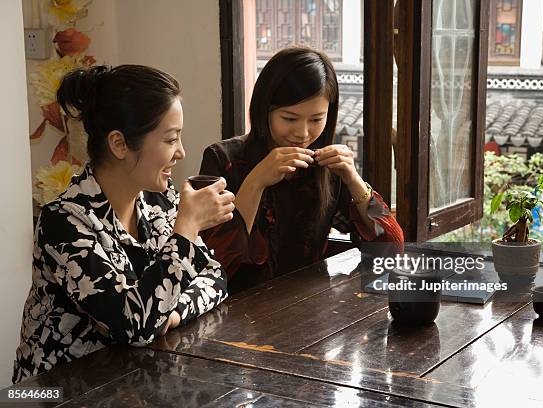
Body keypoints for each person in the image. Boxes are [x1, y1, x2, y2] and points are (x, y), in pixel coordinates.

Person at [13, 65, 235, 383]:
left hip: (127, 384)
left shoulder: (160, 201)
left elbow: (215, 278)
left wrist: (172, 313)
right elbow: (134, 326)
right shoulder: (64, 223)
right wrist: (186, 229)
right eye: (171, 139)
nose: (181, 152)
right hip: (49, 394)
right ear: (119, 144)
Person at [199, 46, 404, 293]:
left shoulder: (325, 166)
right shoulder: (223, 159)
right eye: (289, 118)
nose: (303, 133)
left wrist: (354, 180)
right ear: (265, 109)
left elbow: (391, 250)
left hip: (308, 313)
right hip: (233, 315)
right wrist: (256, 182)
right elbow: (213, 265)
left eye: (316, 119)